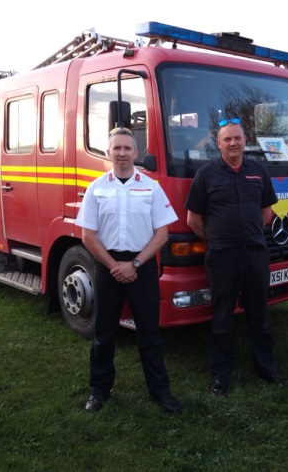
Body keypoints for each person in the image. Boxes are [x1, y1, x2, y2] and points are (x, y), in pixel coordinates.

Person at [75, 127, 182, 414]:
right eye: (116, 148)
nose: (122, 153)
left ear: (136, 153)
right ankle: (99, 391)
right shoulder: (97, 188)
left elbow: (162, 234)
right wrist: (115, 266)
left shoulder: (151, 187)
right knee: (104, 332)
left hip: (142, 266)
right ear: (108, 152)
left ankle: (160, 393)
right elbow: (88, 236)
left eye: (127, 148)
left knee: (149, 333)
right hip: (107, 266)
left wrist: (134, 264)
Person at [185, 118, 288, 396]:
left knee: (259, 316)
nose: (233, 143)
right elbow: (193, 219)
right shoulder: (205, 175)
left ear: (245, 141)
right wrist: (216, 240)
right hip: (222, 258)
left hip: (255, 255)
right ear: (218, 144)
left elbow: (266, 212)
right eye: (227, 139)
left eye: (237, 138)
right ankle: (221, 376)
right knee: (222, 318)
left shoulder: (258, 171)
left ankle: (267, 369)